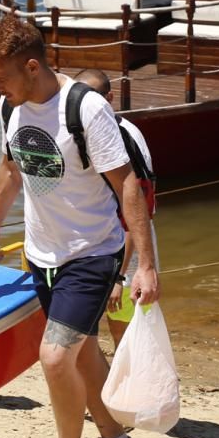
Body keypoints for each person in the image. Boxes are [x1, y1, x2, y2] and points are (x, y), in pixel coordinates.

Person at [0, 14, 160, 438]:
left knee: (55, 357)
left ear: (32, 66)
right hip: (42, 254)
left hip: (92, 252)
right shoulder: (9, 108)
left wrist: (145, 264)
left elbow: (128, 188)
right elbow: (10, 171)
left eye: (1, 79)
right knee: (79, 357)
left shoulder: (86, 108)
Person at [74, 68, 159, 349]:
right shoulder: (89, 134)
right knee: (108, 327)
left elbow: (137, 212)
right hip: (104, 247)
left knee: (129, 330)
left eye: (93, 98)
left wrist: (120, 277)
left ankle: (136, 387)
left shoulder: (124, 138)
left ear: (109, 98)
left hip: (128, 251)